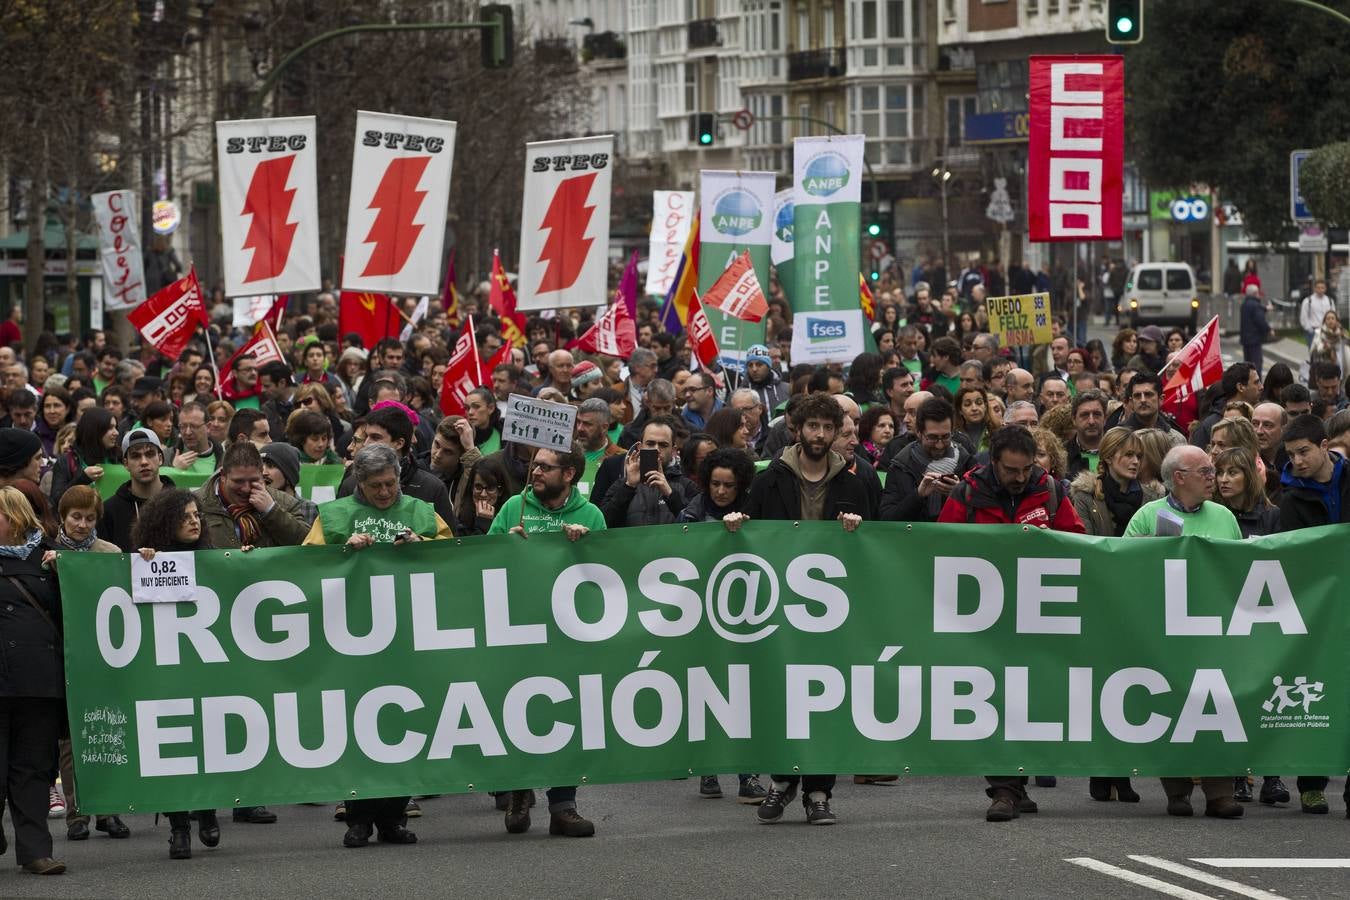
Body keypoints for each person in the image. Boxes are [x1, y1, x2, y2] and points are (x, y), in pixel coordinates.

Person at [729, 392, 867, 826]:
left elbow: (878, 545)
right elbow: (750, 532)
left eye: (829, 428)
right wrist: (737, 525)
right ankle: (783, 780)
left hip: (831, 615)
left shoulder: (853, 483)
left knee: (825, 699)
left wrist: (858, 531)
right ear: (798, 430)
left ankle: (819, 791)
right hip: (780, 612)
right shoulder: (771, 479)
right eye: (814, 427)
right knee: (782, 697)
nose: (821, 435)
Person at [939, 426, 1085, 822]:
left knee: (1030, 700)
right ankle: (1003, 789)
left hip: (1040, 617)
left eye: (1025, 470)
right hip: (985, 619)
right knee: (993, 700)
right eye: (1011, 470)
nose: (1020, 478)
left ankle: (1018, 781)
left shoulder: (1050, 490)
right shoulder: (966, 494)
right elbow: (942, 550)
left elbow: (1077, 540)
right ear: (993, 462)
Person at [1120, 445, 1244, 818]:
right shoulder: (1146, 517)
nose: (1214, 477)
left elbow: (1241, 569)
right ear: (1179, 478)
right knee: (1172, 705)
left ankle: (1220, 792)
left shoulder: (1224, 516)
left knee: (1217, 705)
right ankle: (1176, 791)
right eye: (1205, 471)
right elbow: (1119, 568)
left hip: (1213, 628)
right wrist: (1147, 549)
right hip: (1164, 628)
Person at [488, 442, 605, 838]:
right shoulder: (512, 508)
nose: (535, 472)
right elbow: (481, 564)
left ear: (569, 474)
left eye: (545, 467)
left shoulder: (590, 514)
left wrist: (587, 546)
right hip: (517, 632)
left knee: (567, 715)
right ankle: (519, 792)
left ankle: (563, 805)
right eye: (534, 466)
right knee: (519, 713)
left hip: (567, 634)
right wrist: (506, 545)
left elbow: (607, 574)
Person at [130, 489, 223, 858]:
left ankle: (208, 810)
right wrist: (143, 562)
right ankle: (179, 827)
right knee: (174, 751)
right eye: (185, 516)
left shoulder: (215, 560)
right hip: (166, 673)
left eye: (197, 514)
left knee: (210, 742)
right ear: (165, 522)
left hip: (208, 672)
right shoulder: (145, 563)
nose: (194, 520)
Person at [1275, 414, 1350, 814]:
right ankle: (1311, 782)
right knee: (1317, 694)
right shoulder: (1292, 497)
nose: (1298, 461)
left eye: (1304, 452)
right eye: (1291, 455)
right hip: (1318, 608)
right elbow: (1295, 555)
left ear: (1325, 447)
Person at [47, 486, 131, 843]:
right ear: (63, 518)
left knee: (107, 731)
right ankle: (77, 813)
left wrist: (143, 557)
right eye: (75, 517)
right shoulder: (48, 553)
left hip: (103, 656)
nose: (82, 525)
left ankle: (108, 811)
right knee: (70, 739)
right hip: (63, 656)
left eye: (89, 518)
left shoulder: (109, 553)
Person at [0, 485, 68, 875]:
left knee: (33, 770)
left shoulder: (50, 559)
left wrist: (66, 569)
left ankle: (36, 851)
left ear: (12, 517)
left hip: (39, 682)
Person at [880, 397, 977, 522]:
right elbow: (887, 518)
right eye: (932, 438)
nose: (940, 445)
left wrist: (960, 494)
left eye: (946, 437)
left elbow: (985, 512)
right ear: (919, 433)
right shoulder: (901, 466)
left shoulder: (968, 462)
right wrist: (918, 495)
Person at [599, 416, 695, 527]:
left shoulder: (687, 486)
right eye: (650, 444)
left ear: (673, 450)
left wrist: (670, 494)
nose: (657, 449)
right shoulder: (621, 485)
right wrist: (629, 487)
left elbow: (696, 527)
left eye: (663, 445)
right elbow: (603, 524)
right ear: (639, 447)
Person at [100, 428, 173, 551]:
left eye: (150, 454)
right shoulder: (109, 511)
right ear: (126, 463)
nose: (144, 462)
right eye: (135, 456)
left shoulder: (182, 505)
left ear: (160, 458)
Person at [48, 407, 119, 507]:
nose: (116, 432)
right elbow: (56, 501)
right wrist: (82, 479)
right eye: (110, 428)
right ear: (94, 430)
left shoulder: (118, 458)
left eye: (116, 427)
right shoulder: (66, 461)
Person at [259, 442, 318, 526]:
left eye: (270, 465)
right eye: (260, 467)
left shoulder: (309, 509)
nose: (263, 472)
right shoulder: (256, 507)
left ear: (288, 474)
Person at [1239, 286, 1271, 373]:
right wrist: (1269, 329)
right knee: (1256, 365)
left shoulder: (1244, 305)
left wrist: (1265, 309)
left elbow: (1254, 313)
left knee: (1247, 366)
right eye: (1258, 293)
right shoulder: (1256, 305)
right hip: (1254, 340)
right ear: (1255, 293)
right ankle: (1257, 384)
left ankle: (1248, 384)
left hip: (1245, 340)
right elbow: (1260, 320)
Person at [1299, 277, 1334, 348]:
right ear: (1314, 288)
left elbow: (1334, 315)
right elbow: (1304, 317)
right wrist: (1309, 329)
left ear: (1325, 289)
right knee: (1314, 354)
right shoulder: (1308, 301)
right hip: (1313, 332)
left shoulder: (1329, 301)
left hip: (1327, 331)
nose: (1320, 290)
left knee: (1328, 353)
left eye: (1322, 288)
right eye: (1318, 288)